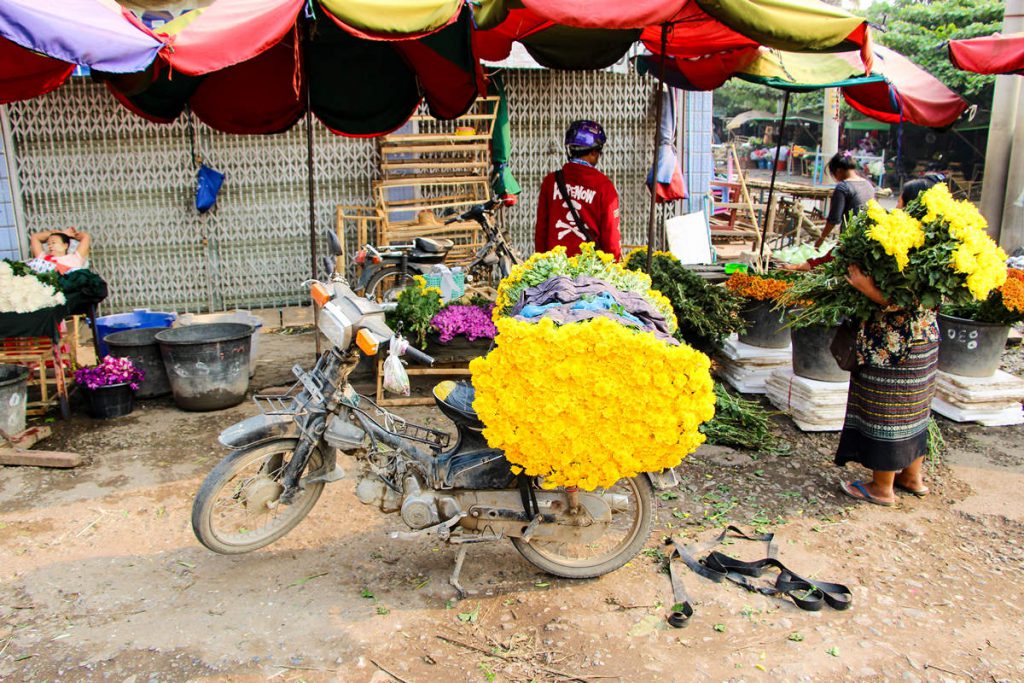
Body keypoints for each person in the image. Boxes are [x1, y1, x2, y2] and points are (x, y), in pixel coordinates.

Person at [837, 263, 938, 506]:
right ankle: (911, 478)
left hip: (893, 344)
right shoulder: (950, 246)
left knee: (885, 411)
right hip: (925, 337)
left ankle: (882, 488)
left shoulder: (913, 245)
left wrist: (867, 289)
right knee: (915, 410)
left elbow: (904, 299)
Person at [535, 120, 621, 260]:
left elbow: (541, 232)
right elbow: (611, 235)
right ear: (594, 152)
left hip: (555, 269)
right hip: (591, 271)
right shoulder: (604, 187)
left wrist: (540, 264)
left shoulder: (550, 182)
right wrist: (615, 266)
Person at [814, 152, 875, 248]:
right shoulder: (868, 184)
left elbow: (834, 219)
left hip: (851, 240)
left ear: (838, 171)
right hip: (869, 238)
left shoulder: (843, 187)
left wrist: (821, 239)